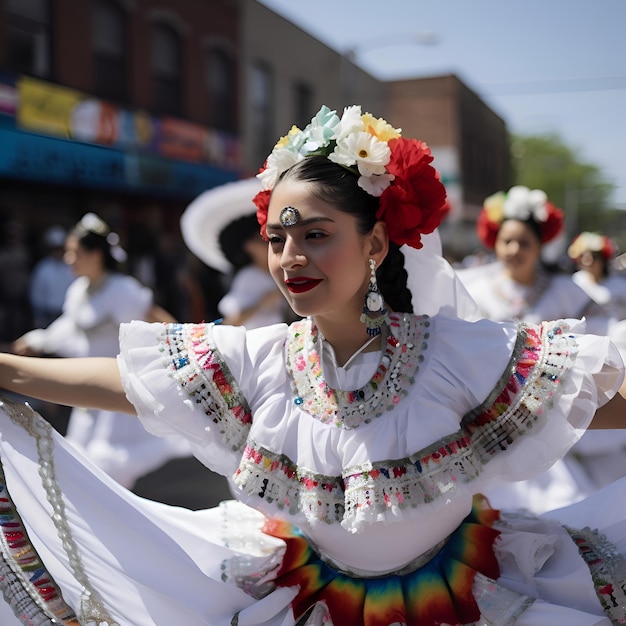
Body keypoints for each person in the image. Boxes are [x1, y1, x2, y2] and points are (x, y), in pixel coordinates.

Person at [0, 105, 626, 626]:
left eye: (316, 234)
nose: (290, 256)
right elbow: (130, 381)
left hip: (462, 596)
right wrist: (10, 370)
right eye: (277, 238)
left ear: (375, 244)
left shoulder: (454, 351)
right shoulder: (269, 356)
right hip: (310, 599)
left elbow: (594, 400)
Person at [11, 213, 190, 489]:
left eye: (75, 252)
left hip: (115, 390)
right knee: (81, 467)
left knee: (109, 470)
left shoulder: (122, 290)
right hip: (86, 392)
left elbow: (155, 320)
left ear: (95, 255)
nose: (68, 259)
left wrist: (186, 346)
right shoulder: (80, 290)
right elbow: (68, 327)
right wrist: (38, 341)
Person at [455, 186, 600, 514]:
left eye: (524, 242)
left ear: (540, 246)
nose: (514, 249)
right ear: (495, 242)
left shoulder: (568, 293)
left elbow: (595, 345)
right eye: (507, 241)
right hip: (487, 418)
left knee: (561, 503)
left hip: (550, 412)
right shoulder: (474, 288)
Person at [181, 177, 292, 329]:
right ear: (249, 246)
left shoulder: (281, 272)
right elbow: (230, 322)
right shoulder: (248, 277)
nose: (270, 245)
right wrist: (261, 303)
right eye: (263, 240)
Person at [566, 232, 626, 489]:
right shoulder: (571, 286)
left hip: (617, 351)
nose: (588, 261)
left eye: (593, 256)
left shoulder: (618, 287)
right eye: (584, 256)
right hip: (585, 354)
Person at [28, 225, 75, 329]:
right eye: (55, 248)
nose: (57, 252)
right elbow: (36, 294)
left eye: (60, 248)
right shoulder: (43, 268)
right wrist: (38, 317)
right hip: (48, 316)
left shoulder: (72, 266)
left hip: (68, 314)